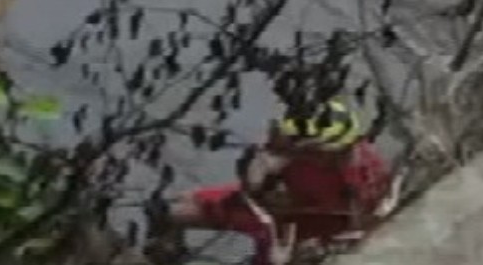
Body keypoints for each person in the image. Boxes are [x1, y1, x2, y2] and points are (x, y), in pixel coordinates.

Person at [145, 99, 393, 265]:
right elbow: (251, 185)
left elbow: (365, 227)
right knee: (175, 209)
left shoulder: (361, 177)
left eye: (313, 153)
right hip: (270, 209)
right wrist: (264, 168)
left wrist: (318, 247)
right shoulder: (288, 148)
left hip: (311, 228)